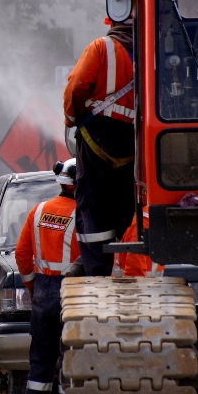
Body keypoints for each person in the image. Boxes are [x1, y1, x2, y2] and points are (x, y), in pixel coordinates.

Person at [63, 18, 136, 276]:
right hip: (136, 144)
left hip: (97, 141)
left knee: (92, 203)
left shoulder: (101, 48)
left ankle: (95, 268)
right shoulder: (156, 51)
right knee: (129, 205)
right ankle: (127, 266)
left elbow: (77, 86)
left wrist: (71, 119)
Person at [14, 158, 79, 394]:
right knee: (72, 362)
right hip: (73, 295)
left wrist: (32, 286)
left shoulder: (38, 211)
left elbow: (21, 254)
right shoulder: (85, 214)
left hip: (42, 291)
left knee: (40, 363)